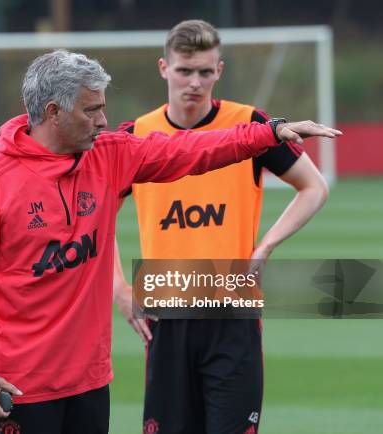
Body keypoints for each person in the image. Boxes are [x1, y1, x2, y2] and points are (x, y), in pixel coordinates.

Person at [0, 48, 340, 434]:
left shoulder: (110, 155)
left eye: (102, 107)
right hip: (20, 389)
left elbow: (191, 150)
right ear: (53, 112)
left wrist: (268, 133)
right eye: (91, 111)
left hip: (89, 383)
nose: (103, 121)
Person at [113, 20, 330, 434]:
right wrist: (120, 289)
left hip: (233, 308)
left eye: (205, 72)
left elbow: (314, 187)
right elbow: (95, 215)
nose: (195, 82)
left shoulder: (249, 124)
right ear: (164, 68)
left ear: (219, 72)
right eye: (184, 70)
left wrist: (265, 247)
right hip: (166, 311)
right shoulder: (135, 136)